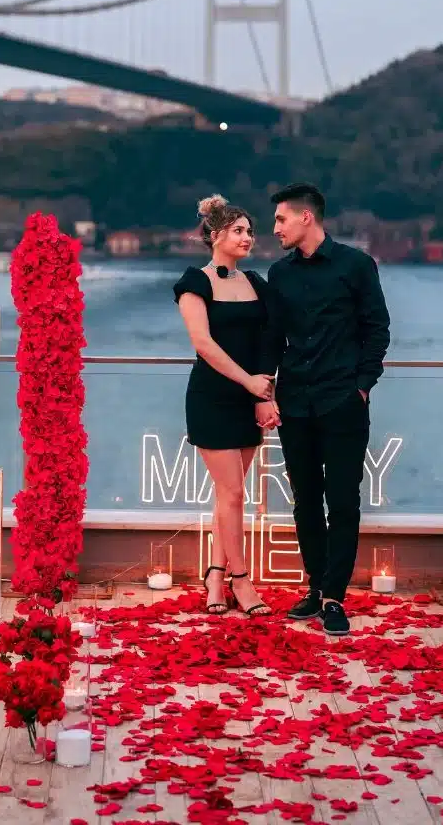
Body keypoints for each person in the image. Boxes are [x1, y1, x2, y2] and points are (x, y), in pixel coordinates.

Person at [256, 183, 391, 636]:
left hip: (343, 401)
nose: (275, 228)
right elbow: (273, 338)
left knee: (344, 500)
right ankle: (316, 586)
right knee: (305, 501)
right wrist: (266, 393)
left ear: (306, 217)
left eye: (280, 219)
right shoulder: (280, 273)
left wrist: (362, 386)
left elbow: (377, 329)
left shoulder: (356, 265)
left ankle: (335, 596)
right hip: (296, 402)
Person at [173, 195, 275, 617]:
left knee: (228, 496)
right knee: (233, 493)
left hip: (248, 401)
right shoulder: (194, 282)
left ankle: (215, 574)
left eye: (250, 231)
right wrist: (248, 381)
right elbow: (203, 343)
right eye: (238, 230)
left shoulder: (255, 282)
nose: (247, 237)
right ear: (215, 235)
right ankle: (241, 580)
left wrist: (265, 395)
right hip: (212, 398)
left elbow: (269, 340)